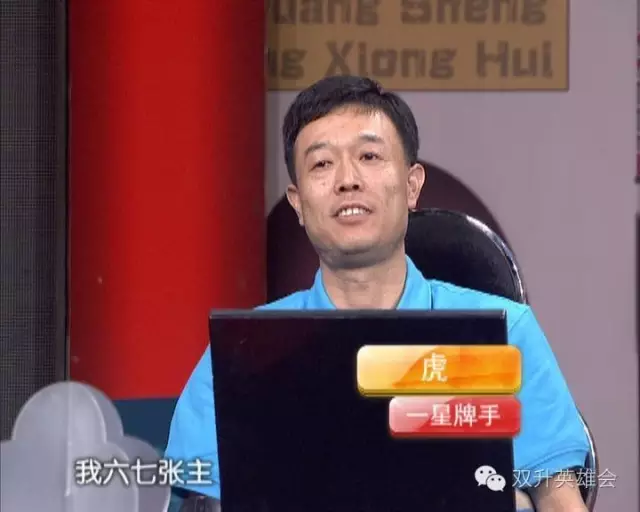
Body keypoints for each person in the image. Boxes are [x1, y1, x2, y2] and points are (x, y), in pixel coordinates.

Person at [165, 75, 589, 511]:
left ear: (411, 185)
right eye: (321, 164)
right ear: (298, 202)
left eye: (369, 156)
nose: (347, 180)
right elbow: (202, 502)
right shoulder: (243, 353)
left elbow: (558, 498)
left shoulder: (508, 334)